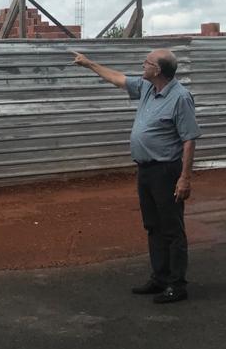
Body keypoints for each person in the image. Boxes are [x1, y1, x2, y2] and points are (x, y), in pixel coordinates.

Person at [71, 47, 201, 303]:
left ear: (158, 70)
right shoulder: (146, 88)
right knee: (153, 226)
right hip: (146, 170)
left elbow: (189, 140)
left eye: (147, 62)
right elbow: (117, 78)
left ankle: (177, 284)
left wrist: (185, 178)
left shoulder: (180, 98)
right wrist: (89, 64)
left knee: (171, 229)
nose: (143, 64)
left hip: (167, 171)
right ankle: (160, 277)